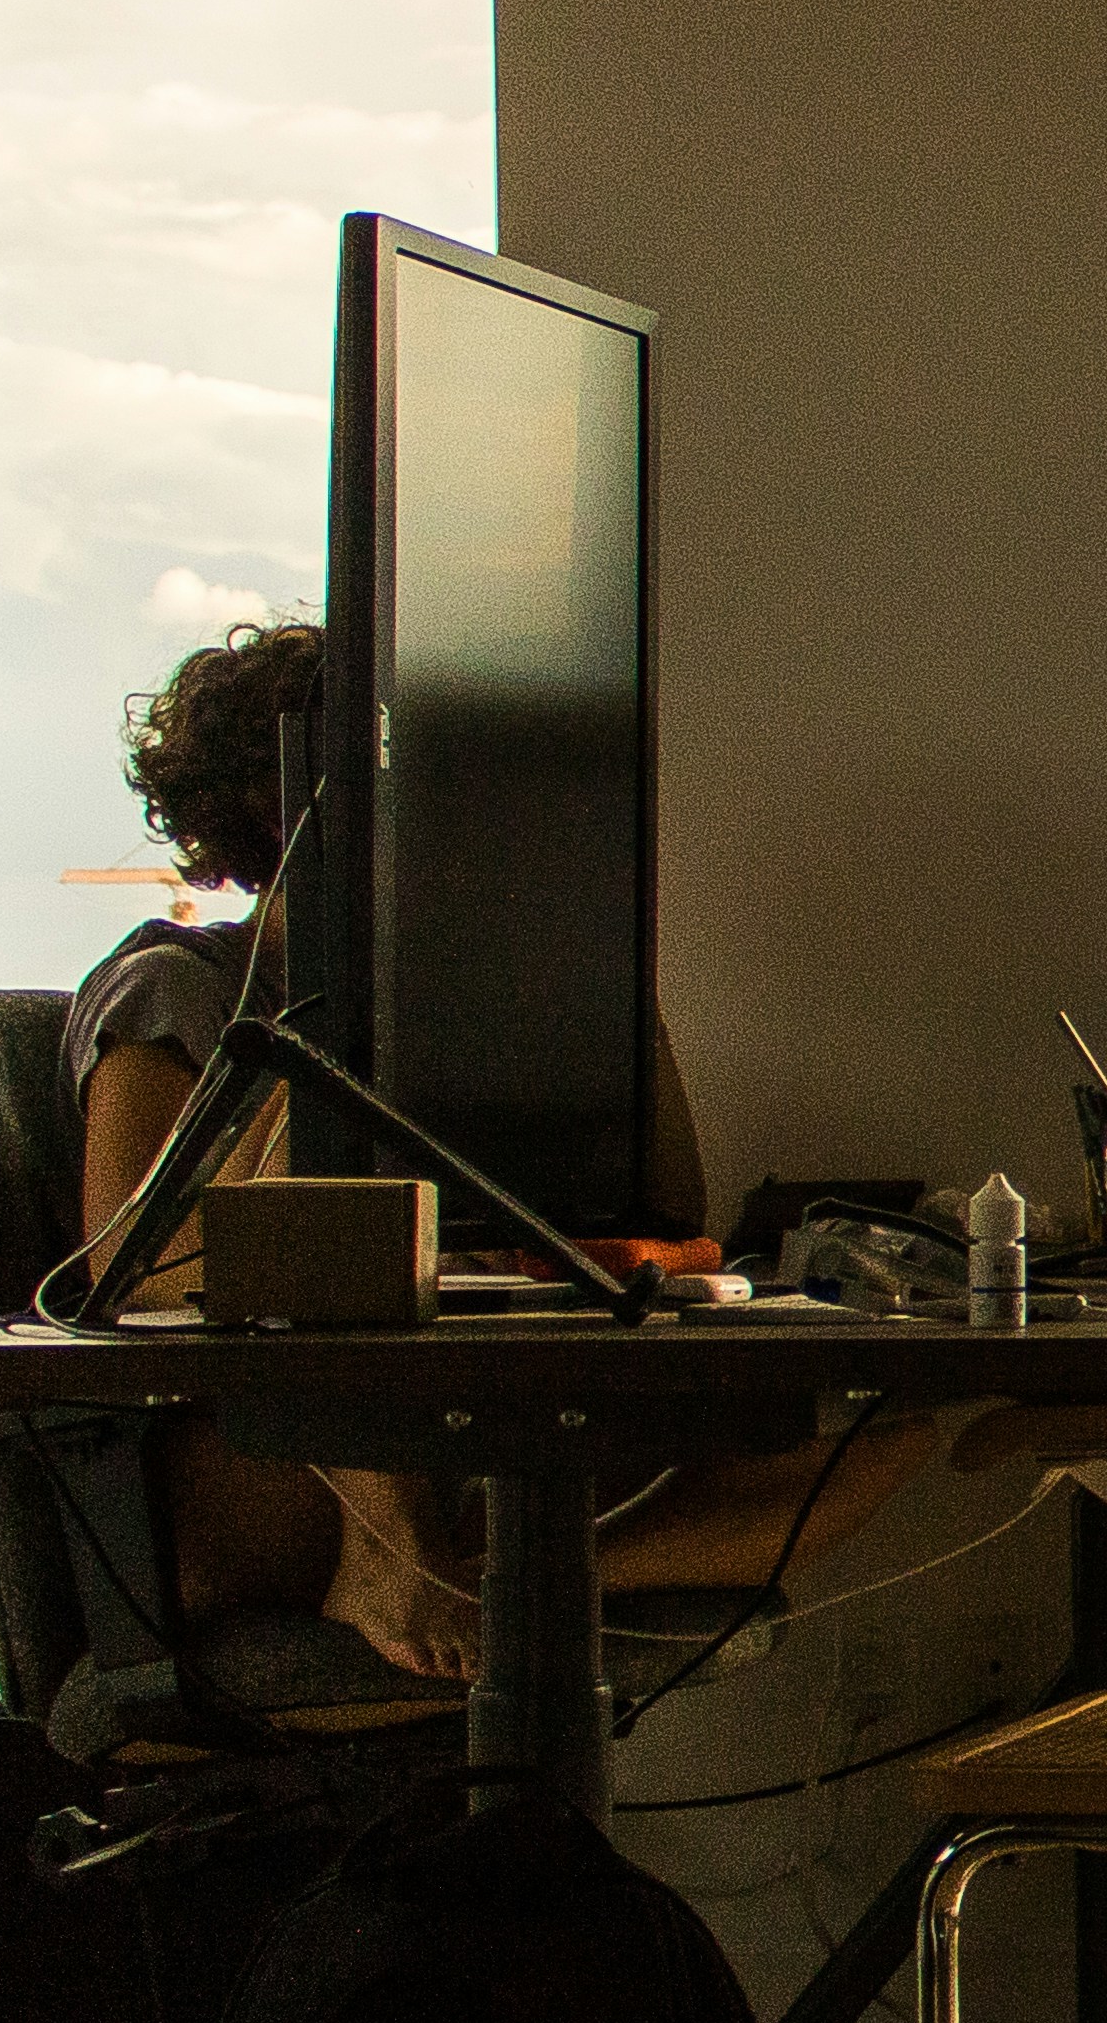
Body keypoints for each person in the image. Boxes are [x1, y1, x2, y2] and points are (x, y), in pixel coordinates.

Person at [69, 621, 932, 1680]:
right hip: (248, 1465)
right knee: (333, 1244)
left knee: (881, 1432)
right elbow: (133, 1276)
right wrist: (342, 1031)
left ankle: (514, 1575)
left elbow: (665, 1203)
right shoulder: (176, 983)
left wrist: (603, 968)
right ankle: (394, 1556)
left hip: (453, 1434)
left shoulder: (462, 991)